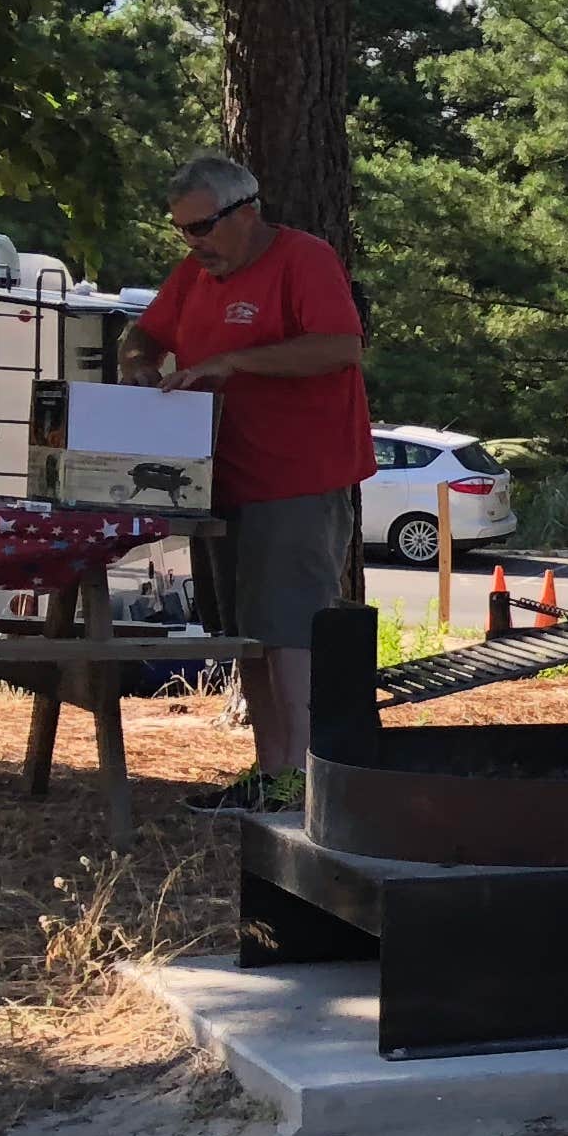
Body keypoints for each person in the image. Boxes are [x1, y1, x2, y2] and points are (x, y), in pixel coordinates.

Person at [123, 152, 371, 811]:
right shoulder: (192, 275)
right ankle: (271, 774)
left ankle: (304, 785)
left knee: (290, 636)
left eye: (202, 228)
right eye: (182, 231)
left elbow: (340, 346)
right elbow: (140, 335)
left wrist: (235, 360)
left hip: (298, 480)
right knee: (252, 640)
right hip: (220, 483)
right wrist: (142, 366)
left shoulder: (304, 259)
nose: (193, 244)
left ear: (247, 211)